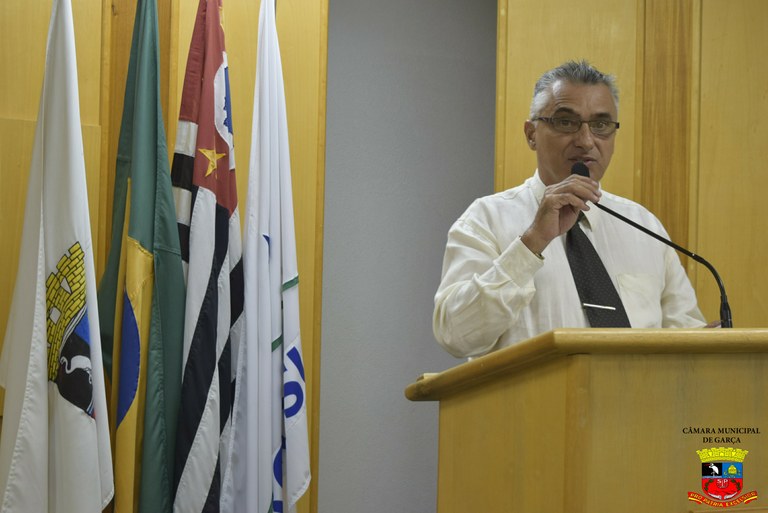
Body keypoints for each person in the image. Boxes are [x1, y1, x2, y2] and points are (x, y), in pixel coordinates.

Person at [433, 60, 706, 358]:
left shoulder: (644, 226)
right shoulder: (485, 220)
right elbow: (456, 335)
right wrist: (532, 242)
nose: (586, 141)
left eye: (600, 125)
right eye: (566, 122)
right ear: (531, 134)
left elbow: (686, 337)